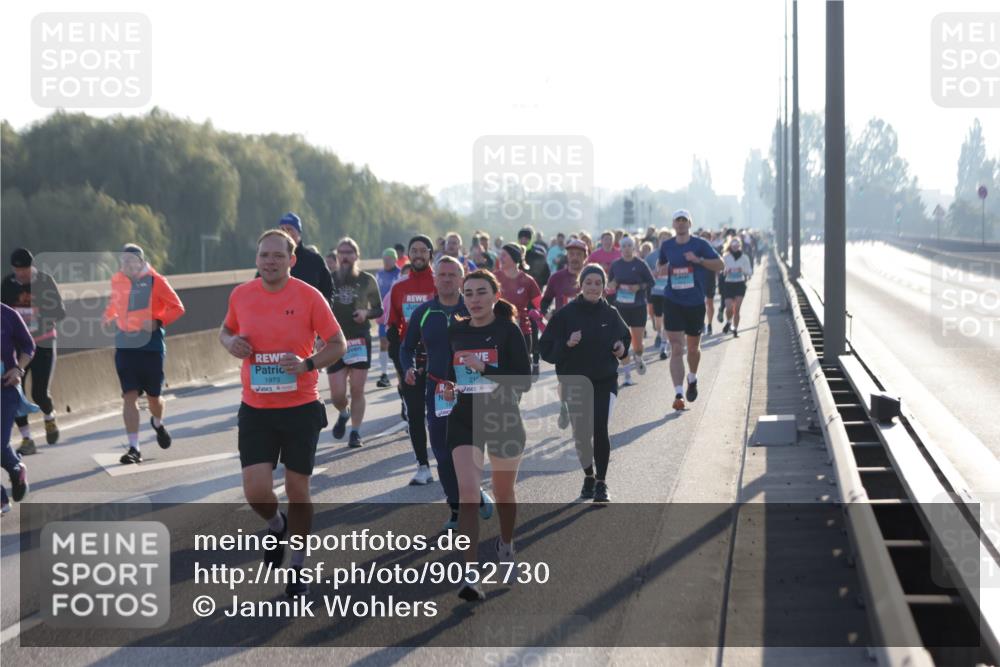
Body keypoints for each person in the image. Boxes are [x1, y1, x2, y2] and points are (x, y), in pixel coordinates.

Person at [220, 229, 346, 597]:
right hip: (256, 409)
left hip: (300, 408)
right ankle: (276, 524)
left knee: (297, 489)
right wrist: (233, 343)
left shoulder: (309, 296)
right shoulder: (241, 295)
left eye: (278, 256)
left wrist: (307, 364)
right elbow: (225, 331)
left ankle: (297, 565)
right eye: (264, 256)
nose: (270, 262)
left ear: (292, 260)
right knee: (256, 491)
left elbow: (337, 344)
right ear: (256, 260)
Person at [442, 269, 531, 601]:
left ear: (495, 295)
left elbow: (523, 381)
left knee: (503, 492)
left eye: (481, 292)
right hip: (465, 418)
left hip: (503, 416)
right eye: (469, 293)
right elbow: (454, 376)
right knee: (467, 493)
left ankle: (505, 545)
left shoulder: (508, 332)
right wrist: (450, 390)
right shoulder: (456, 331)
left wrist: (487, 370)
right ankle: (470, 572)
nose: (474, 299)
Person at [401, 256, 494, 530]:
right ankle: (456, 508)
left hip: (472, 389)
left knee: (471, 449)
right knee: (443, 454)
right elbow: (406, 347)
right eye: (442, 274)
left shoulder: (474, 308)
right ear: (434, 278)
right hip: (438, 389)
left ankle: (473, 491)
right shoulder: (425, 312)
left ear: (462, 278)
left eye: (453, 274)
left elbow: (495, 341)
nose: (447, 279)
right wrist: (407, 368)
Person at [539, 264, 629, 503]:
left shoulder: (611, 314)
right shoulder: (566, 315)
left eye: (598, 283)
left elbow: (625, 338)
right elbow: (545, 349)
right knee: (580, 434)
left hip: (604, 381)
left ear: (604, 287)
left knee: (600, 429)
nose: (593, 287)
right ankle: (588, 476)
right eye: (588, 282)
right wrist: (566, 344)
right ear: (581, 285)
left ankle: (601, 482)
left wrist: (621, 348)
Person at [103, 244, 186, 464]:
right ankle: (134, 448)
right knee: (129, 396)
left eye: (132, 261)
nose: (128, 265)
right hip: (125, 346)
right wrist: (107, 316)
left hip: (151, 347)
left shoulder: (156, 281)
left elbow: (178, 307)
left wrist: (158, 321)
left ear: (141, 261)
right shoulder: (117, 281)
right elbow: (115, 303)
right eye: (124, 261)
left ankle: (157, 423)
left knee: (154, 398)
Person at [657, 210, 724, 411]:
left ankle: (692, 378)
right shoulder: (667, 245)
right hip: (673, 301)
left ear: (689, 224)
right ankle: (678, 394)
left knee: (693, 349)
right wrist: (661, 269)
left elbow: (720, 265)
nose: (681, 224)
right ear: (673, 225)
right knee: (676, 347)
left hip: (695, 303)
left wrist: (699, 260)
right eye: (678, 221)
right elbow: (661, 264)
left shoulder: (700, 245)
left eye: (684, 220)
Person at [2, 248, 66, 454]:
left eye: (25, 269)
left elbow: (60, 311)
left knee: (39, 392)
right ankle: (27, 438)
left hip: (43, 343)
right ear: (13, 268)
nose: (22, 273)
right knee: (15, 392)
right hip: (17, 347)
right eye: (18, 270)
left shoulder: (45, 282)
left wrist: (38, 322)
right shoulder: (7, 285)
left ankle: (49, 417)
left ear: (32, 266)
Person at [386, 235, 439, 485]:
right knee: (416, 414)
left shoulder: (441, 283)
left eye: (422, 250)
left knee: (442, 413)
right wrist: (401, 365)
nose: (418, 255)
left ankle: (449, 460)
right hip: (411, 359)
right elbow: (393, 329)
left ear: (430, 254)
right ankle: (422, 466)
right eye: (413, 251)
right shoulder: (398, 288)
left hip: (440, 357)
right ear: (408, 255)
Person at [327, 238, 383, 448]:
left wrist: (366, 313)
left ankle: (355, 432)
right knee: (337, 394)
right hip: (334, 340)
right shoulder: (329, 279)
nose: (345, 256)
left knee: (357, 389)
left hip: (359, 339)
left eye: (349, 252)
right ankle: (344, 412)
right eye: (341, 253)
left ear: (356, 256)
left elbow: (379, 309)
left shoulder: (367, 280)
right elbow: (319, 309)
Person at [608, 236, 656, 386]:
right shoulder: (615, 265)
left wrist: (639, 286)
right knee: (622, 342)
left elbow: (651, 282)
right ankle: (627, 374)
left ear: (634, 248)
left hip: (638, 307)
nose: (627, 248)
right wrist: (613, 283)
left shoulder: (640, 264)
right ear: (620, 248)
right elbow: (610, 284)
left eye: (630, 245)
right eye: (624, 246)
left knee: (638, 344)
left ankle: (638, 357)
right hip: (621, 307)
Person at [1, 304, 33, 513]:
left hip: (5, 387)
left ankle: (15, 468)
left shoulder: (7, 314)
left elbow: (28, 346)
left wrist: (19, 369)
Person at [496, 244, 543, 379]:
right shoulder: (494, 278)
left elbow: (541, 305)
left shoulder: (527, 281)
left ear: (514, 257)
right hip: (498, 331)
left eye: (504, 255)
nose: (501, 258)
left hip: (522, 331)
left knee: (518, 373)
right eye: (500, 255)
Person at [275, 212, 334, 308]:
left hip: (309, 316)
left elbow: (328, 290)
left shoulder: (314, 260)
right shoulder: (271, 260)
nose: (286, 233)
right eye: (282, 230)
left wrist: (323, 308)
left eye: (290, 229)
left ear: (299, 232)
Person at [375, 248, 402, 388]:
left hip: (396, 315)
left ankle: (400, 373)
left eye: (389, 259)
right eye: (384, 259)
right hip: (382, 314)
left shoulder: (400, 274)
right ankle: (384, 374)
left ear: (395, 259)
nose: (386, 262)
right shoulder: (379, 274)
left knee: (395, 345)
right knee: (383, 342)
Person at [648, 229, 673, 359]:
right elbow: (645, 272)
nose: (664, 240)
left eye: (667, 238)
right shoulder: (652, 256)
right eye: (662, 238)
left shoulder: (674, 253)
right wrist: (654, 272)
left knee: (667, 318)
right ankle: (659, 333)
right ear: (658, 240)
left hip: (670, 291)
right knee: (659, 319)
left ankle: (664, 343)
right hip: (656, 291)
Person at [722, 237, 753, 337]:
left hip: (740, 284)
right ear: (730, 246)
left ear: (740, 246)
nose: (735, 247)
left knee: (737, 309)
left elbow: (749, 272)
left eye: (737, 245)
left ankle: (735, 329)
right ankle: (728, 322)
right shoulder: (726, 257)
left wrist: (742, 270)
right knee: (729, 308)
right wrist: (726, 271)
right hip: (729, 284)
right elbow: (721, 271)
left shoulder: (745, 258)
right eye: (733, 245)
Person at [698, 231, 720, 335]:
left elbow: (719, 265)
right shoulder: (696, 251)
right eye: (702, 238)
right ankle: (702, 323)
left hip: (710, 279)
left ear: (710, 239)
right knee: (700, 304)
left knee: (710, 304)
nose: (705, 240)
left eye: (707, 238)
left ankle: (710, 324)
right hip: (698, 280)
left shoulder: (712, 251)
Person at [518, 226, 551, 290]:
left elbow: (546, 274)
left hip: (535, 290)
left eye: (526, 238)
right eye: (521, 238)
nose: (523, 241)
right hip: (518, 292)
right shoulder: (514, 254)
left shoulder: (539, 254)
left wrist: (537, 284)